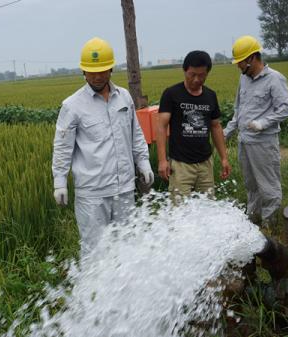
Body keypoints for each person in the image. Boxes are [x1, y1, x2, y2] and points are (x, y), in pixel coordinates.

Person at [52, 37, 154, 254]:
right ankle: (92, 289)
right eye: (92, 72)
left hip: (124, 187)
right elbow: (62, 147)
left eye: (102, 71)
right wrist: (59, 181)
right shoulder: (72, 106)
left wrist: (143, 162)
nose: (97, 77)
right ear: (83, 72)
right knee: (94, 251)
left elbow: (136, 133)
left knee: (127, 248)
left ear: (110, 69)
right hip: (92, 194)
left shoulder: (124, 97)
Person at [223, 35, 288, 227]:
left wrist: (263, 123)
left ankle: (269, 227)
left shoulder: (275, 79)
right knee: (251, 185)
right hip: (245, 141)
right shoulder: (243, 79)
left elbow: (285, 108)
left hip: (263, 142)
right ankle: (252, 221)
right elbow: (238, 109)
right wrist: (226, 132)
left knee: (268, 186)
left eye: (240, 62)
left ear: (252, 58)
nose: (238, 66)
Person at [156, 50, 231, 199]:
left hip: (205, 163)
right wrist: (162, 160)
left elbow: (215, 126)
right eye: (192, 74)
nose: (196, 79)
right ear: (185, 71)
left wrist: (224, 158)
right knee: (181, 212)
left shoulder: (210, 96)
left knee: (207, 208)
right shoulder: (171, 94)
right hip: (180, 165)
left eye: (201, 75)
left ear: (207, 73)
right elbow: (161, 126)